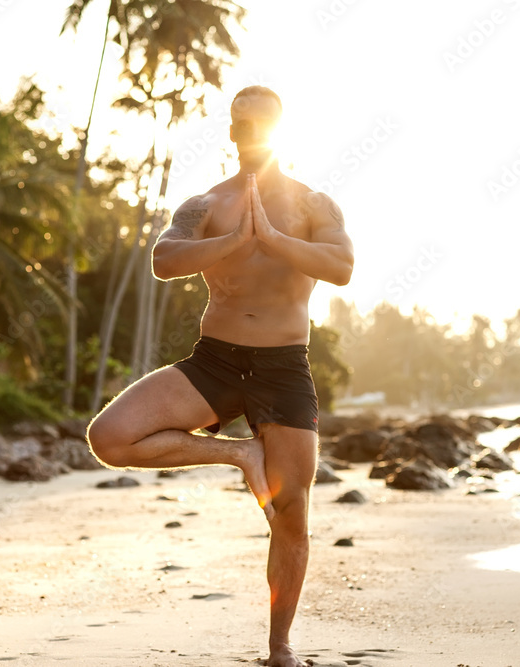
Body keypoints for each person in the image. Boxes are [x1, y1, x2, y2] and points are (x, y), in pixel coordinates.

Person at [86, 85, 354, 667]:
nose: (251, 133)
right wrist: (234, 239)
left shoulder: (314, 204)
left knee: (291, 514)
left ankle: (279, 645)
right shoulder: (204, 204)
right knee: (108, 437)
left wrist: (274, 239)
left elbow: (342, 266)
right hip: (214, 360)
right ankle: (238, 456)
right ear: (232, 133)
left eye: (263, 124)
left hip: (284, 368)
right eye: (243, 124)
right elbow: (163, 260)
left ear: (279, 129)